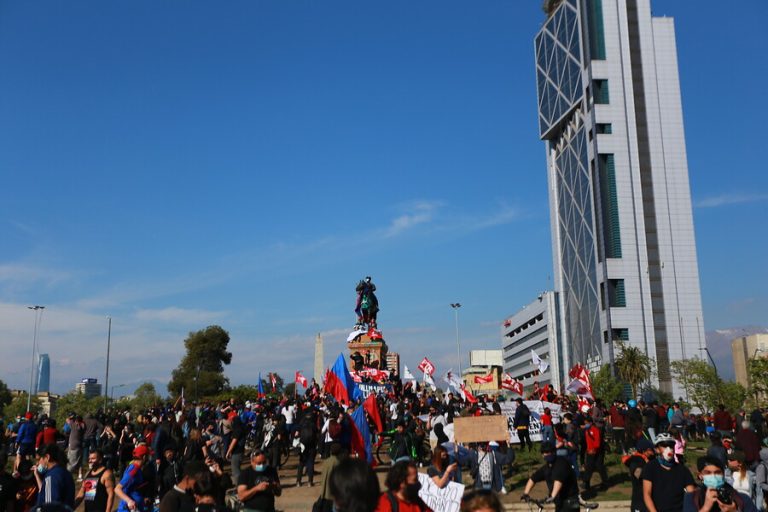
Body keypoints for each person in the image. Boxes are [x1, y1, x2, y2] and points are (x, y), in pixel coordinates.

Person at [641, 432, 696, 512]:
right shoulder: (650, 467)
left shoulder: (682, 469)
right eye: (664, 446)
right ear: (657, 449)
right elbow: (647, 494)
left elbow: (691, 494)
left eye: (671, 446)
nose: (668, 449)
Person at [683, 456, 758, 512]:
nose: (713, 476)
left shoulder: (741, 499)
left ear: (723, 474)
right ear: (700, 475)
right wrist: (706, 507)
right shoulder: (692, 498)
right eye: (708, 473)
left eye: (717, 472)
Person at [520, 443, 581, 512]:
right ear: (542, 454)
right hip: (560, 502)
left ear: (554, 452)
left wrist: (552, 496)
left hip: (570, 501)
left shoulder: (561, 463)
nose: (548, 454)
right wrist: (525, 493)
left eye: (550, 452)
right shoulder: (547, 467)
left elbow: (558, 481)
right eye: (545, 452)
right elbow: (533, 478)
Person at [35, 444, 75, 510]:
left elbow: (49, 506)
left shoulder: (50, 477)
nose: (38, 463)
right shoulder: (66, 473)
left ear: (47, 457)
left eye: (39, 459)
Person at [115, 444, 151, 512]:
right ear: (144, 457)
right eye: (148, 456)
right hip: (127, 509)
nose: (149, 458)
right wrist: (129, 501)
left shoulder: (137, 468)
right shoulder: (133, 470)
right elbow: (117, 489)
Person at [624, 438, 655, 512]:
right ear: (644, 451)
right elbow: (638, 474)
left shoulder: (650, 460)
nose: (653, 452)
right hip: (639, 503)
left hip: (649, 501)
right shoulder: (635, 461)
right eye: (651, 450)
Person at [581, 416, 608, 495]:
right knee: (591, 467)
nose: (585, 424)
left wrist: (593, 449)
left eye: (586, 423)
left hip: (595, 451)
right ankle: (586, 483)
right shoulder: (587, 430)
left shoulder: (595, 430)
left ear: (590, 422)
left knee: (597, 467)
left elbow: (597, 441)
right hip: (590, 451)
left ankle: (603, 482)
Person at [316, 443, 343, 512]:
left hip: (325, 492)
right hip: (333, 494)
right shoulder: (338, 463)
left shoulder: (326, 461)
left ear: (331, 451)